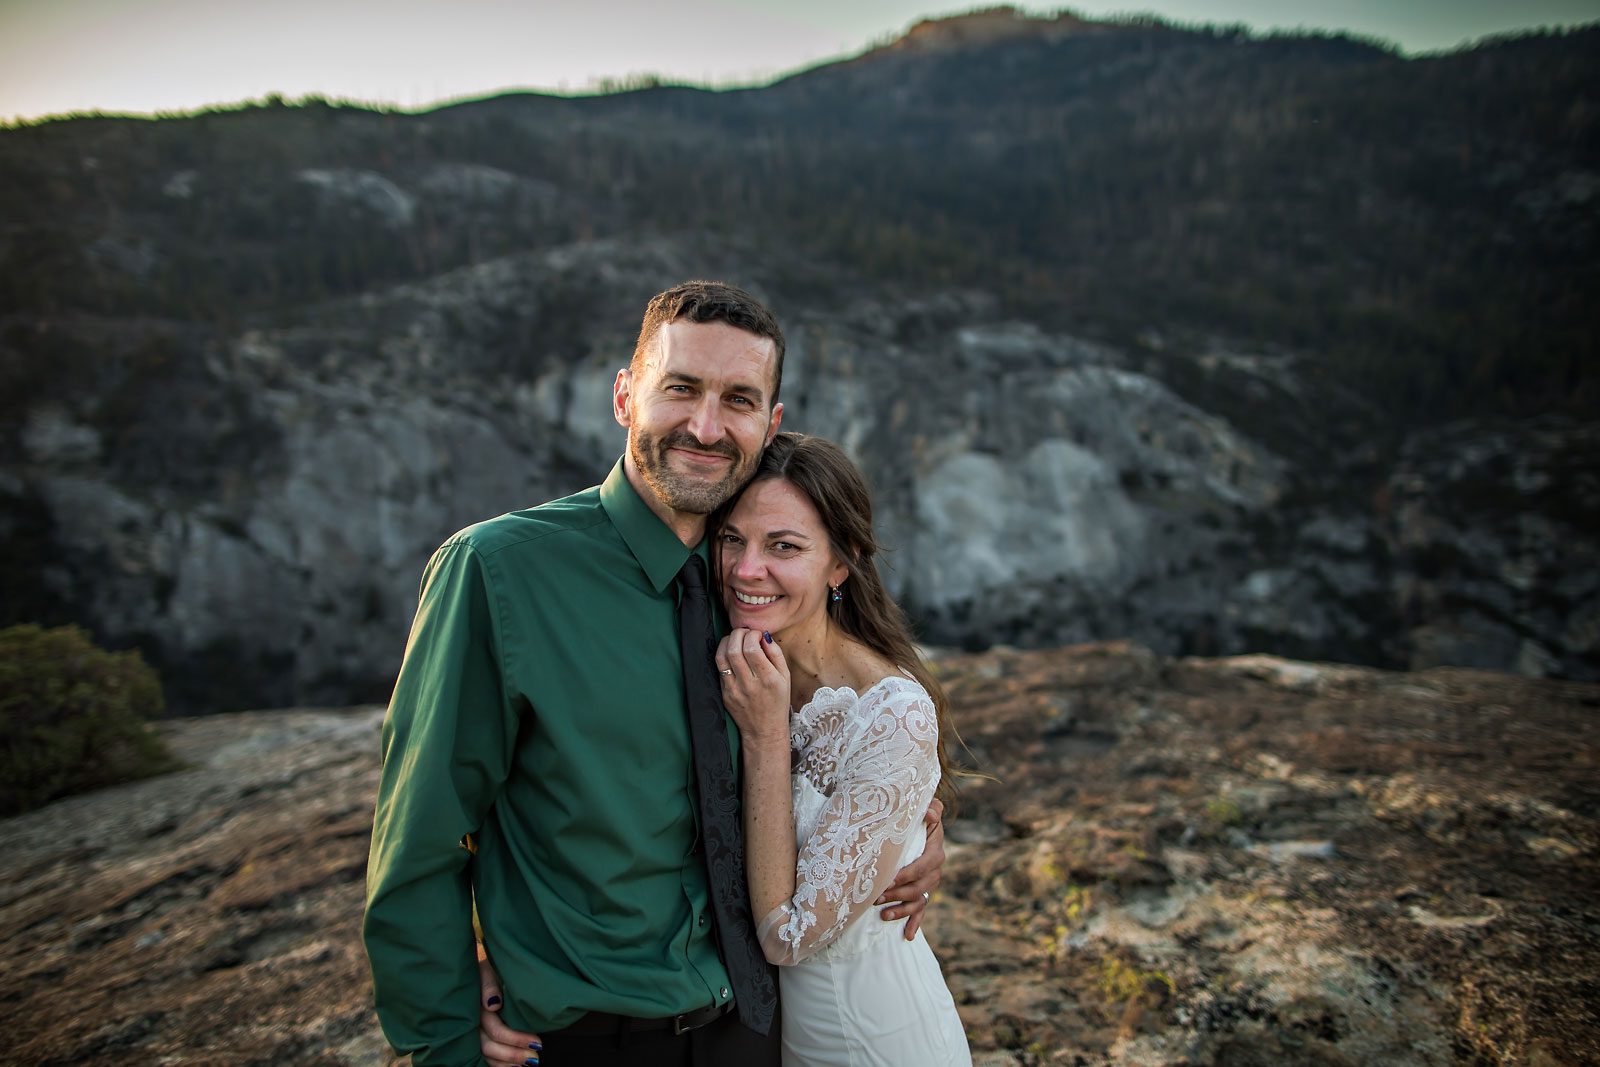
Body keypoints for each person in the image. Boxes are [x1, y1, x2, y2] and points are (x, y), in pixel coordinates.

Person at [365, 280, 946, 1067]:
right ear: (624, 395)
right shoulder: (500, 573)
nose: (706, 426)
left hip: (752, 1030)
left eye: (738, 399)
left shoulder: (752, 592)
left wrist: (917, 830)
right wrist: (445, 1027)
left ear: (768, 424)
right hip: (586, 1040)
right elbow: (421, 835)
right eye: (681, 388)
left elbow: (850, 741)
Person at [713, 432, 971, 1065]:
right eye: (731, 540)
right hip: (769, 1037)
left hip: (871, 1039)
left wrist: (767, 736)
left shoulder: (891, 712)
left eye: (784, 547)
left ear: (841, 563)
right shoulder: (725, 653)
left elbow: (791, 935)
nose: (747, 569)